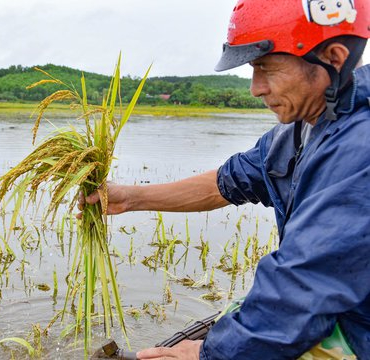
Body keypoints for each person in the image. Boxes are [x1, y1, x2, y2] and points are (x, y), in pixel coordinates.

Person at [80, 0, 370, 358]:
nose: (256, 87)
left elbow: (305, 289)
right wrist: (128, 198)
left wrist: (208, 355)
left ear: (334, 58)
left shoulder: (361, 149)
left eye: (266, 68)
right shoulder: (303, 129)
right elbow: (228, 181)